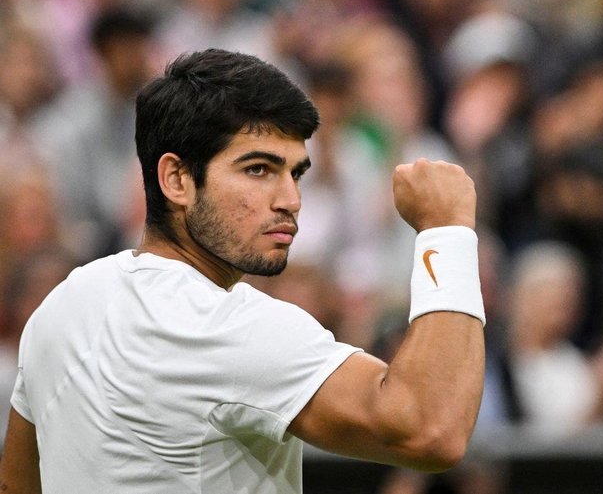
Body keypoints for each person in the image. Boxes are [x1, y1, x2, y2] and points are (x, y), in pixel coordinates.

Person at [0, 48, 486, 493]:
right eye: (258, 169)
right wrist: (446, 229)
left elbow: (17, 485)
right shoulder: (228, 326)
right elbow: (432, 429)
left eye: (295, 173)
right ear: (176, 179)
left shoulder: (60, 304)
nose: (291, 201)